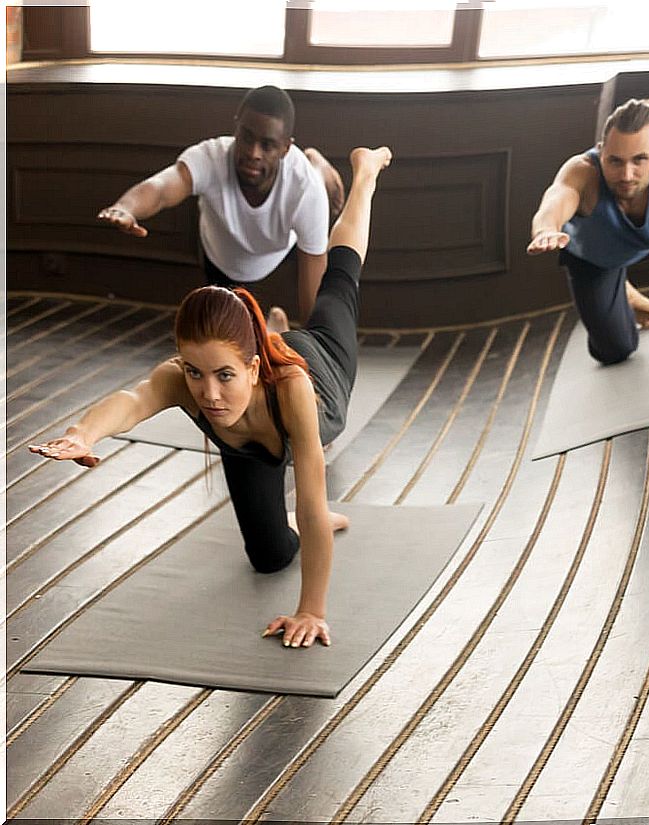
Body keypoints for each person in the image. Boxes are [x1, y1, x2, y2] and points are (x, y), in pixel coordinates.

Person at [31, 145, 394, 650]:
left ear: (249, 367)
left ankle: (364, 174)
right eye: (196, 373)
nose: (209, 394)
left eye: (224, 375)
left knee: (339, 284)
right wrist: (81, 433)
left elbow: (312, 503)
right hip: (248, 439)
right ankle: (268, 328)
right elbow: (134, 401)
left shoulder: (292, 390)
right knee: (268, 556)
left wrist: (311, 610)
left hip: (319, 368)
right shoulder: (187, 380)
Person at [96, 85, 346, 331]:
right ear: (236, 127)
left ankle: (318, 168)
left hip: (280, 252)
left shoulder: (306, 190)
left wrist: (317, 352)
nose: (252, 153)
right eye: (246, 137)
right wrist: (126, 207)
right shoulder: (211, 156)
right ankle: (270, 329)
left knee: (313, 189)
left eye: (267, 145)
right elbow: (161, 188)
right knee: (233, 335)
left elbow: (314, 292)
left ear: (285, 149)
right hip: (220, 255)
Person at [527, 97, 649, 364]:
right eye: (614, 161)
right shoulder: (582, 172)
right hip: (596, 258)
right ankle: (621, 288)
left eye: (639, 160)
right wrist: (545, 229)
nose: (626, 175)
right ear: (601, 151)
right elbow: (557, 197)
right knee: (614, 350)